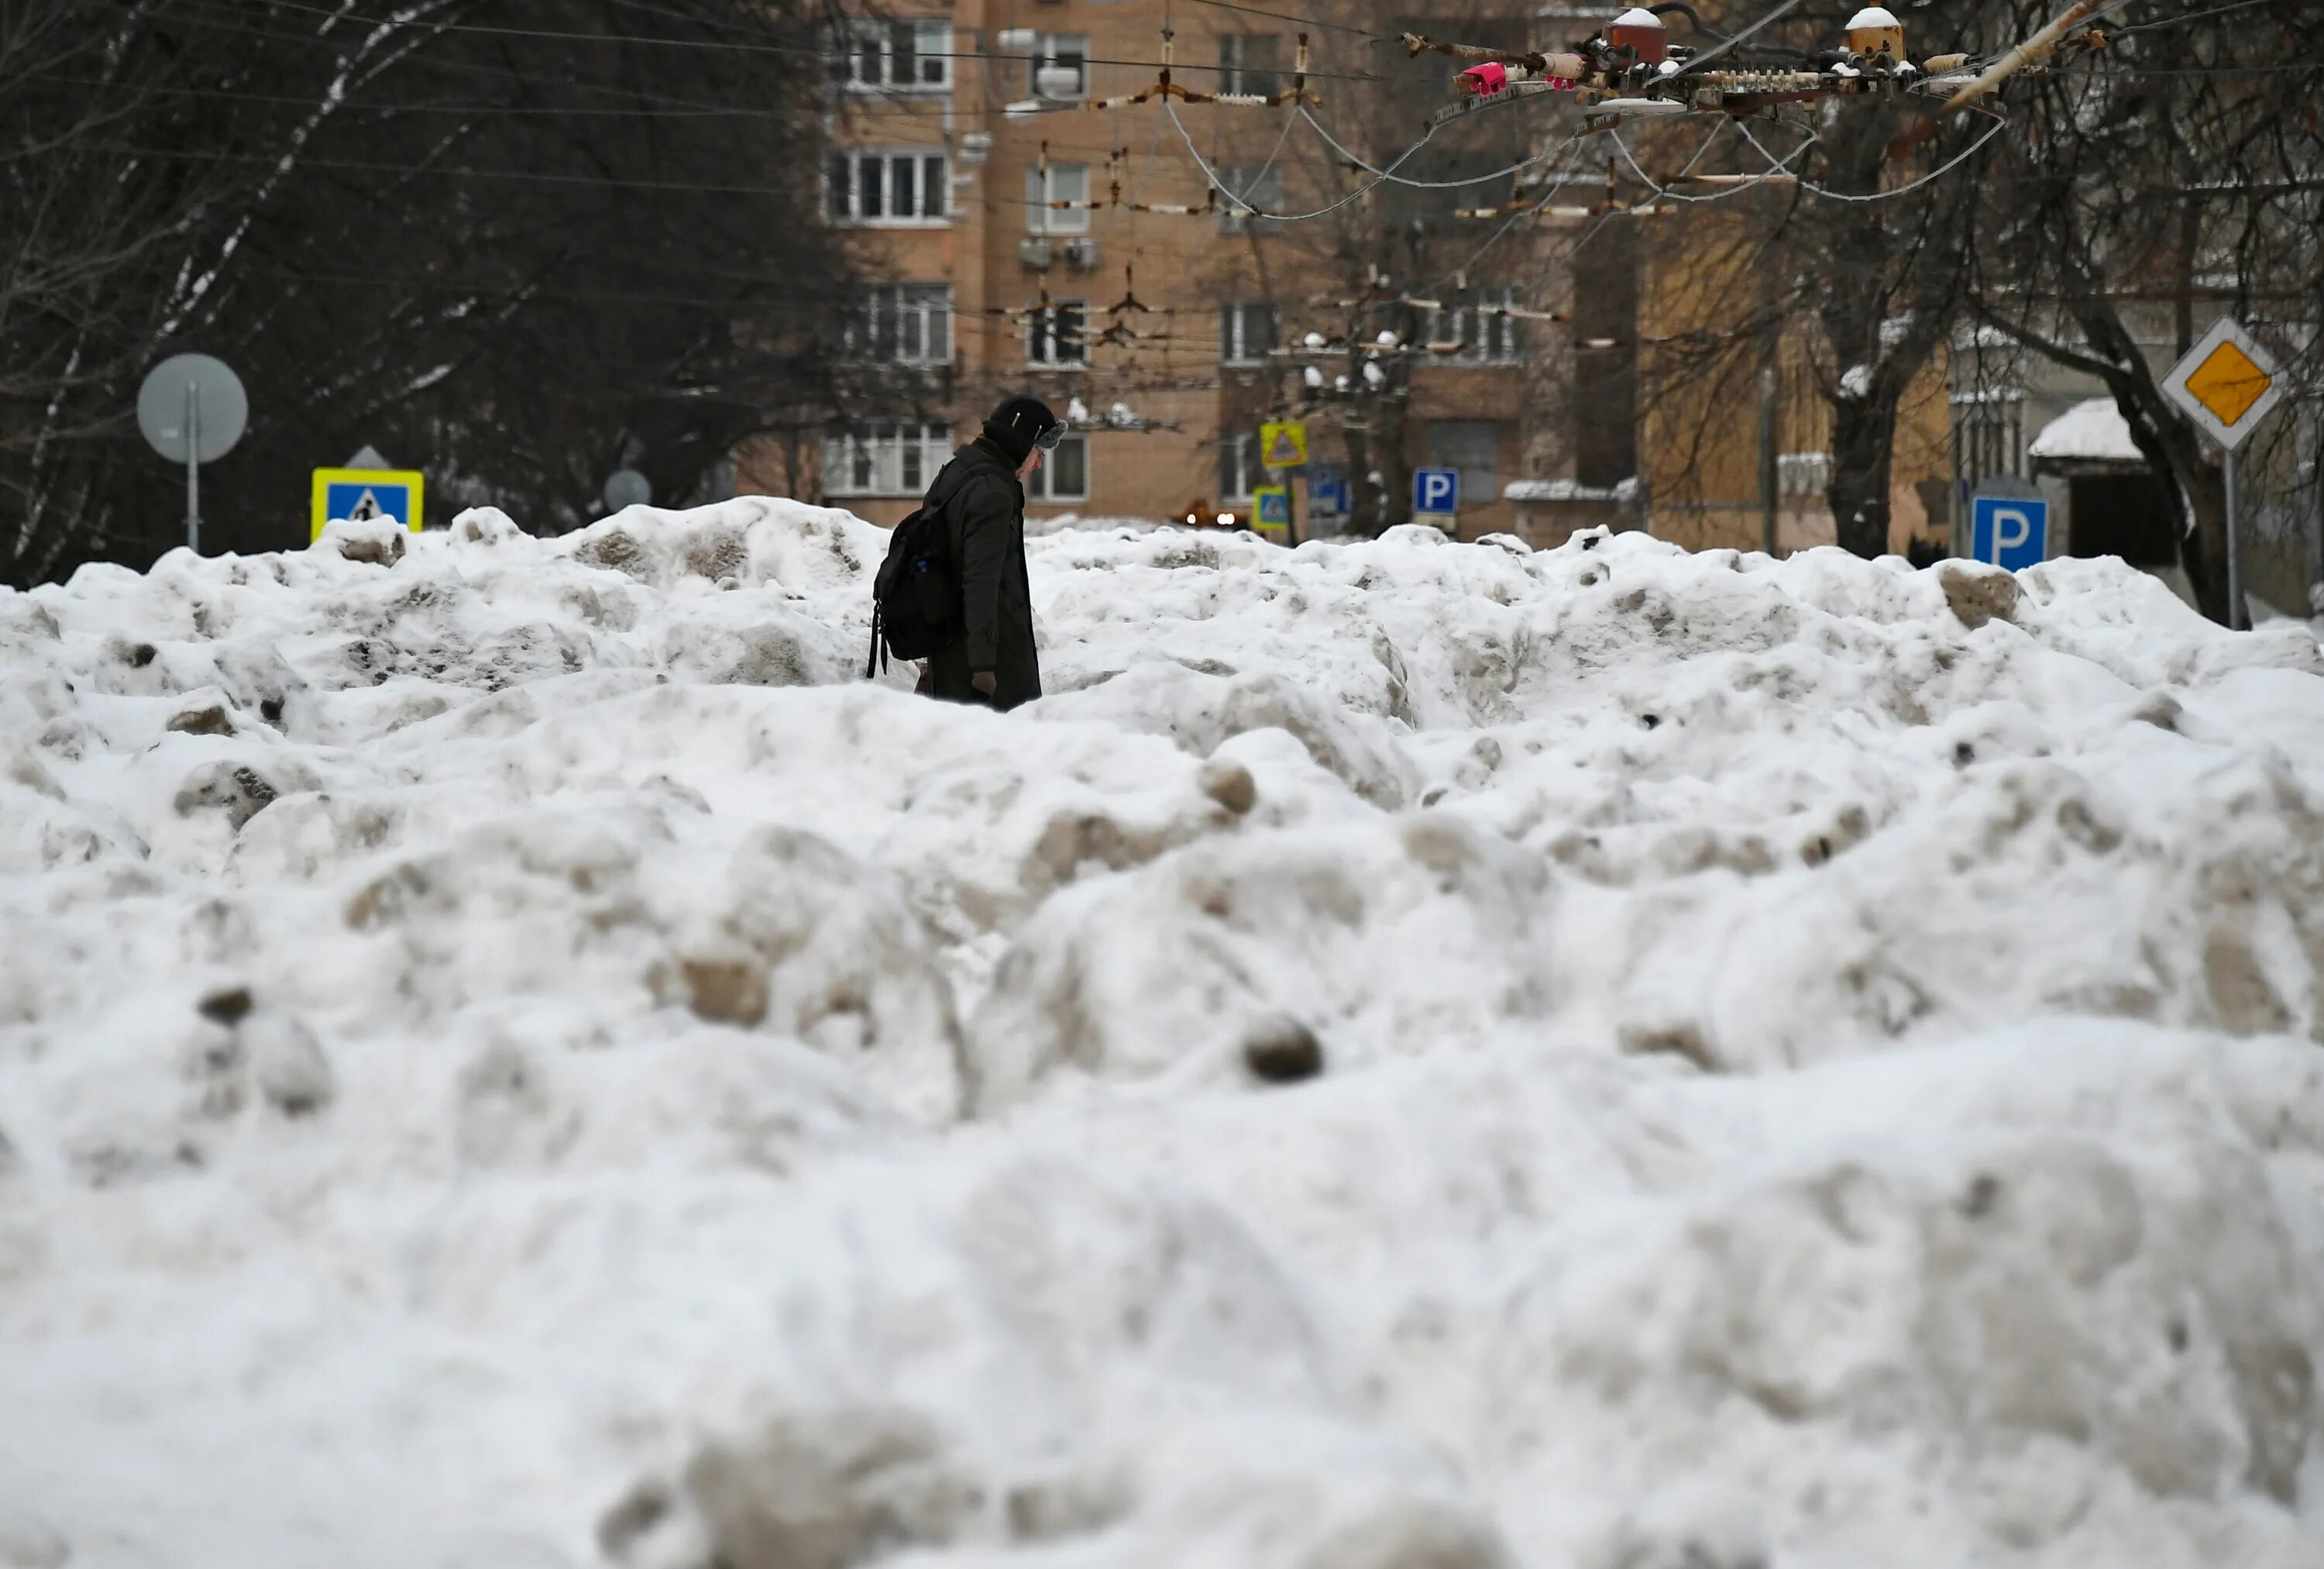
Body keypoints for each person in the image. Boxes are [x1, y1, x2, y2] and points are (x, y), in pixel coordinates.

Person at [919, 394, 1063, 711]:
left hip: (950, 646)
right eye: (1039, 451)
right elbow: (980, 583)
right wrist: (984, 667)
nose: (1039, 463)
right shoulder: (991, 492)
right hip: (989, 665)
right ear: (1019, 443)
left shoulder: (957, 472)